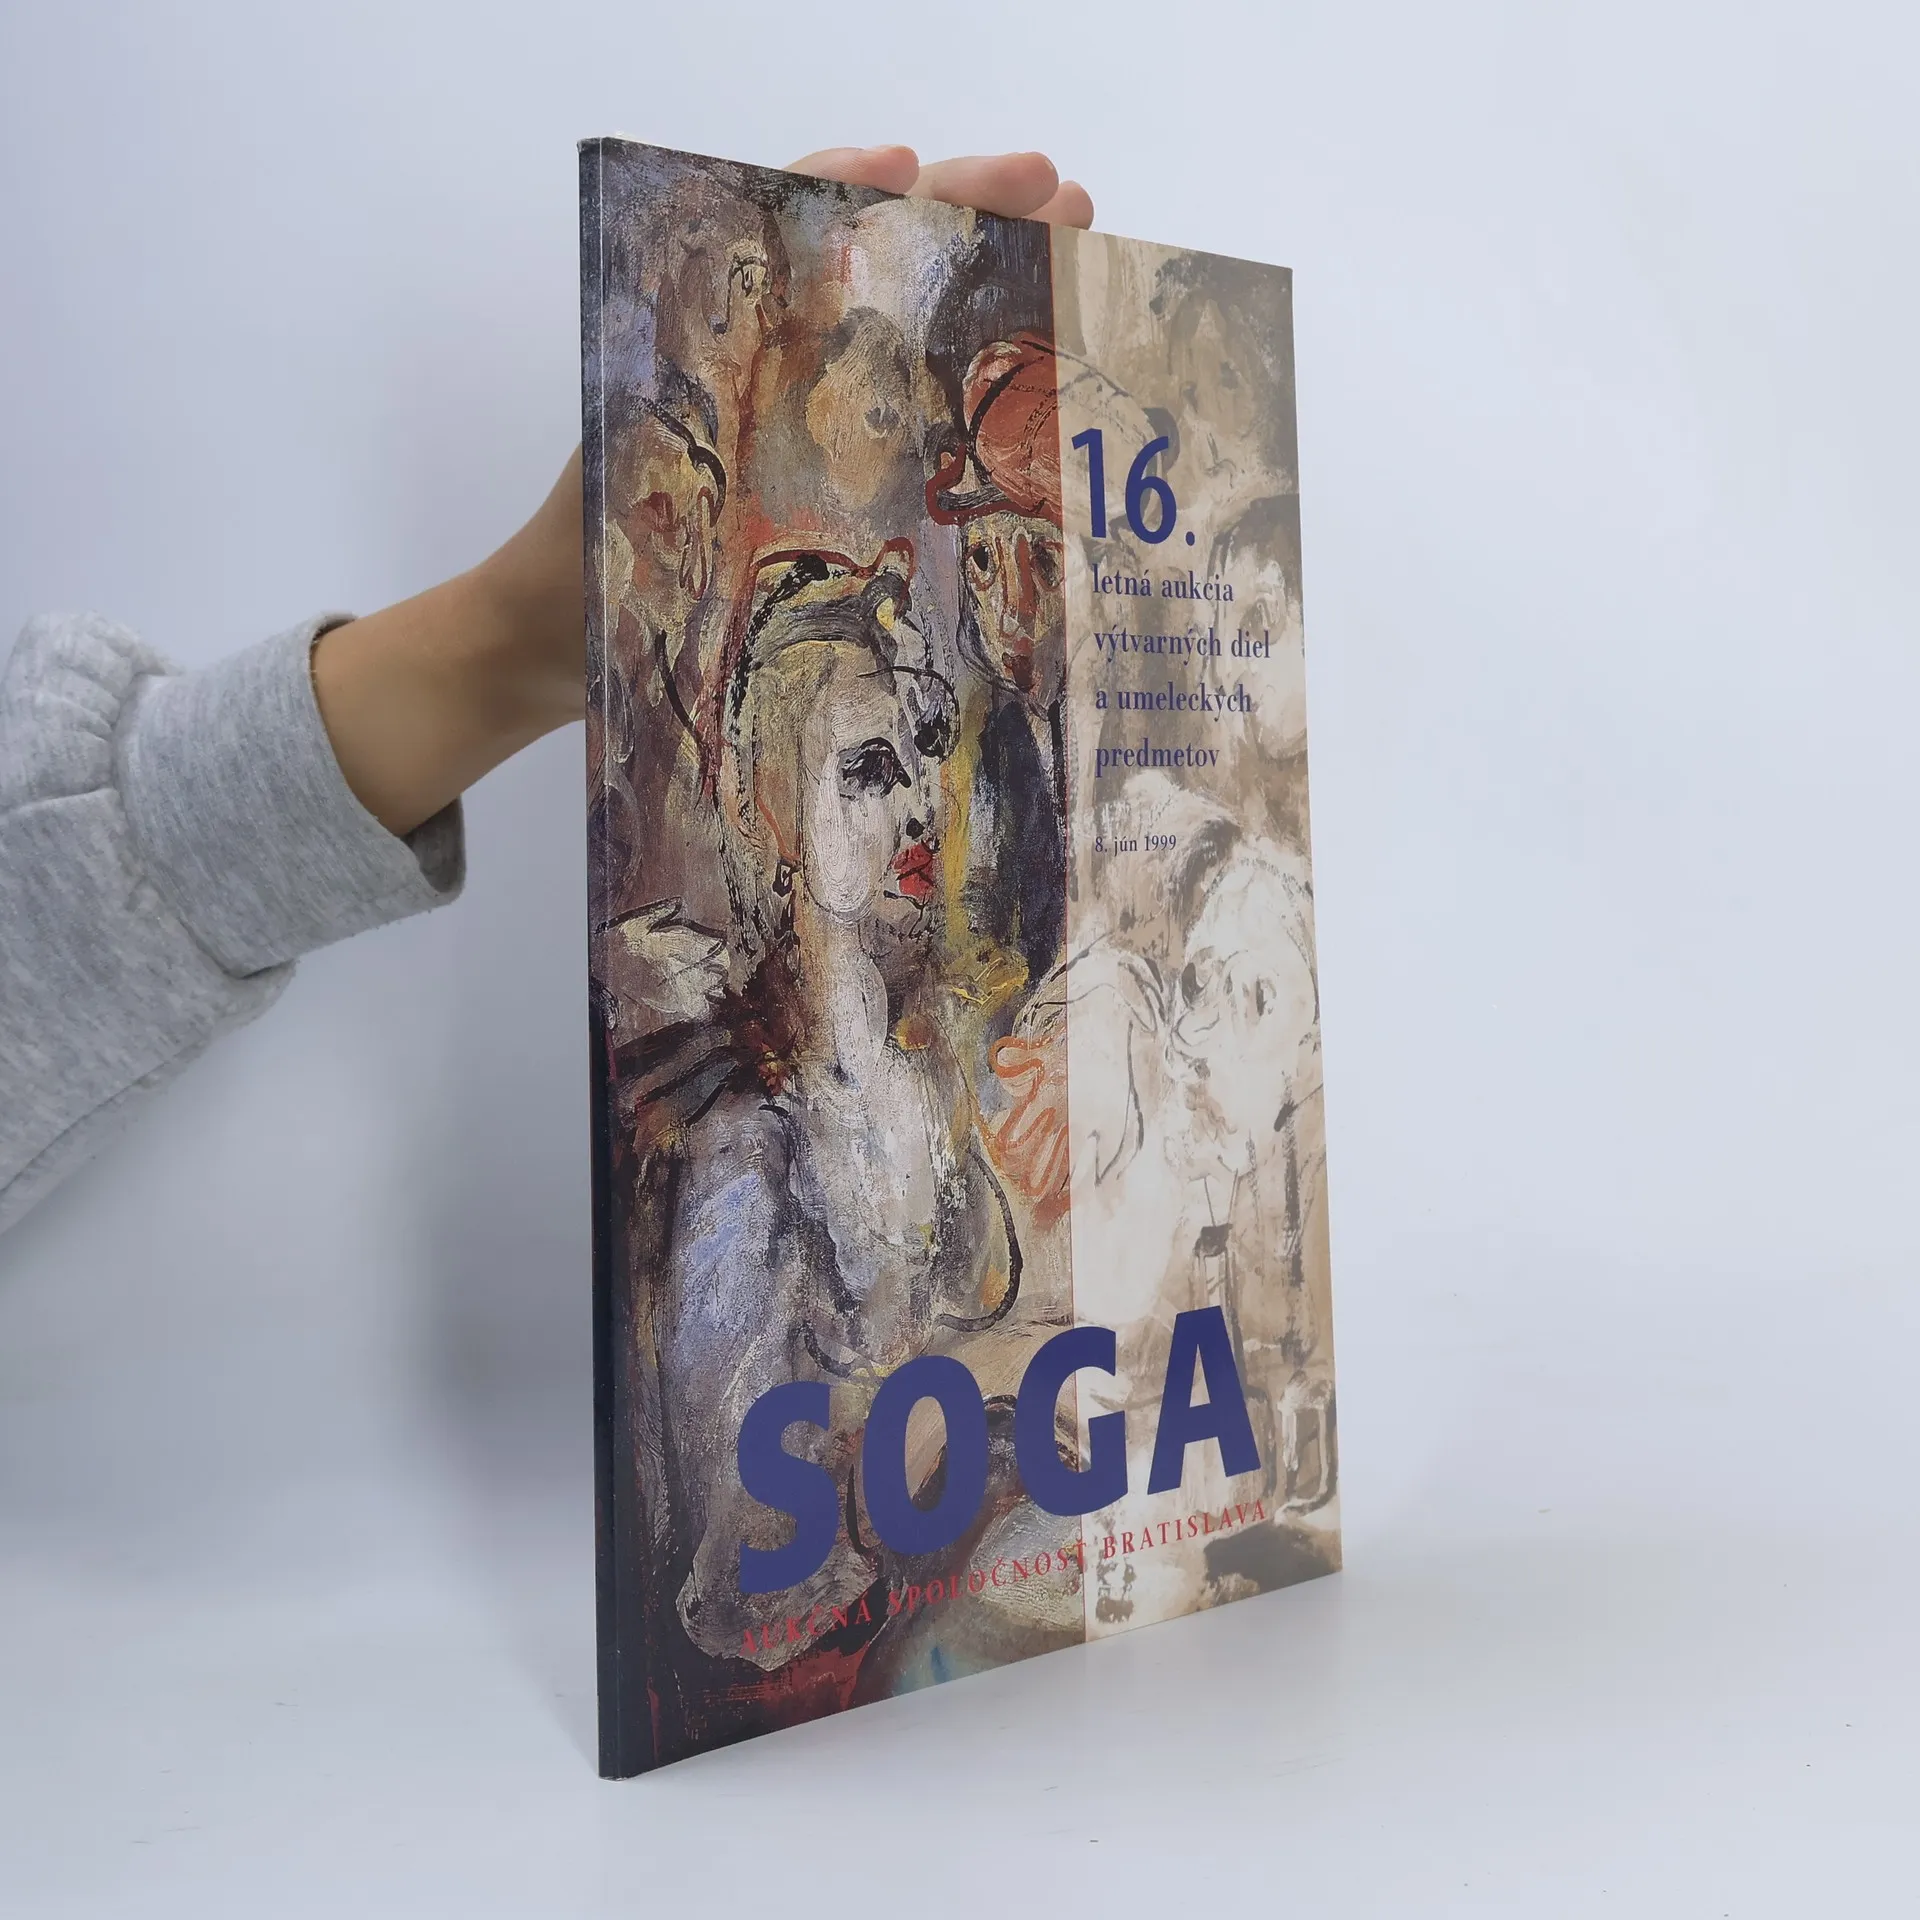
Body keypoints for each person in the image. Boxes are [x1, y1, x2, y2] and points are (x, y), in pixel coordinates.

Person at [0, 146, 1095, 1238]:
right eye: (868, 767)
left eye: (915, 755)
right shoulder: (734, 1151)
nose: (918, 807)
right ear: (761, 801)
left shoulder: (972, 1040)